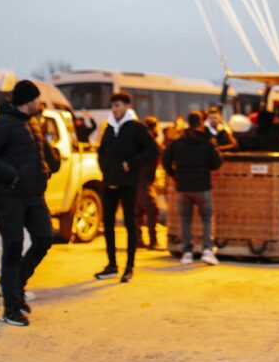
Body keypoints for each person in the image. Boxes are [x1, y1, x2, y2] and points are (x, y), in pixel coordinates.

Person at [0, 80, 60, 326]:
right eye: (37, 99)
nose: (40, 103)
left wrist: (45, 167)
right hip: (9, 195)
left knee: (44, 239)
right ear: (29, 100)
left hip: (34, 195)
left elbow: (47, 157)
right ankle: (10, 308)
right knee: (13, 247)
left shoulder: (33, 122)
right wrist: (13, 175)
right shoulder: (2, 124)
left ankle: (17, 286)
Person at [95, 92, 158, 283]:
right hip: (109, 183)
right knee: (108, 223)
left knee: (131, 223)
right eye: (113, 106)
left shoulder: (136, 128)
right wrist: (106, 170)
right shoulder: (109, 128)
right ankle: (111, 264)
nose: (115, 109)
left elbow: (152, 150)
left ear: (126, 107)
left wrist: (130, 164)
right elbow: (102, 152)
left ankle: (129, 266)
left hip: (129, 184)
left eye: (119, 106)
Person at [163, 111, 221, 265]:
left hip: (183, 186)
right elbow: (216, 163)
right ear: (201, 122)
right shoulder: (206, 142)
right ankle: (207, 250)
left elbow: (165, 160)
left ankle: (187, 253)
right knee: (207, 218)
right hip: (202, 186)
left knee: (185, 220)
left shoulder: (178, 142)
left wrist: (174, 174)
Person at [135, 116, 161, 249]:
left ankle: (137, 240)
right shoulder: (150, 143)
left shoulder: (137, 142)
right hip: (144, 182)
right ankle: (153, 241)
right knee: (152, 210)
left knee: (137, 212)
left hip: (136, 182)